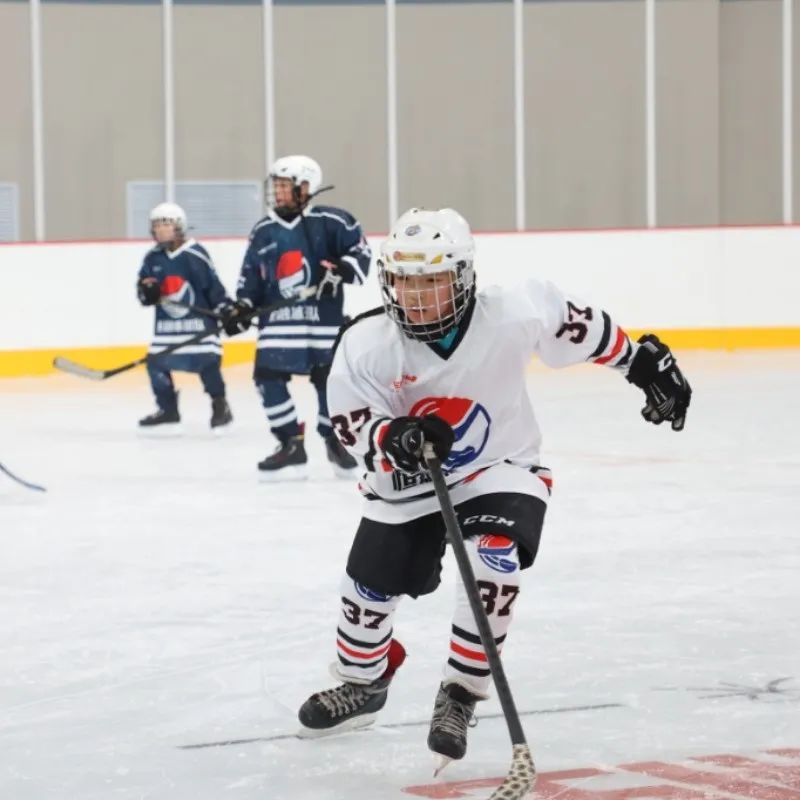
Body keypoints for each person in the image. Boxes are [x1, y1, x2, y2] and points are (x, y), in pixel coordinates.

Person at [297, 208, 692, 763]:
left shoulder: (514, 312)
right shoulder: (366, 344)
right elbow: (353, 426)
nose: (417, 296)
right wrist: (398, 437)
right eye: (406, 281)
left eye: (432, 280)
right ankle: (365, 681)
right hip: (406, 485)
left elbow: (583, 327)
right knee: (367, 594)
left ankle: (461, 691)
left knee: (495, 560)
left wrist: (643, 365)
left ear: (462, 278)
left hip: (499, 465)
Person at [221, 155, 371, 480]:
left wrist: (341, 269)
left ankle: (335, 438)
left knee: (330, 382)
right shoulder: (263, 231)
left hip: (324, 323)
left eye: (284, 187)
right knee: (267, 378)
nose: (277, 193)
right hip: (279, 324)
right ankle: (290, 443)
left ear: (306, 187)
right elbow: (251, 276)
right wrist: (242, 307)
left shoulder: (334, 221)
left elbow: (361, 256)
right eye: (276, 186)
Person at [136, 202, 233, 432]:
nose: (159, 230)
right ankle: (168, 409)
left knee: (208, 362)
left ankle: (220, 405)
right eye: (156, 225)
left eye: (165, 224)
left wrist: (226, 308)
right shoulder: (152, 258)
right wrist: (146, 292)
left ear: (179, 226)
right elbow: (142, 290)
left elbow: (213, 287)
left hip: (199, 325)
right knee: (155, 364)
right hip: (168, 328)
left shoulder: (195, 255)